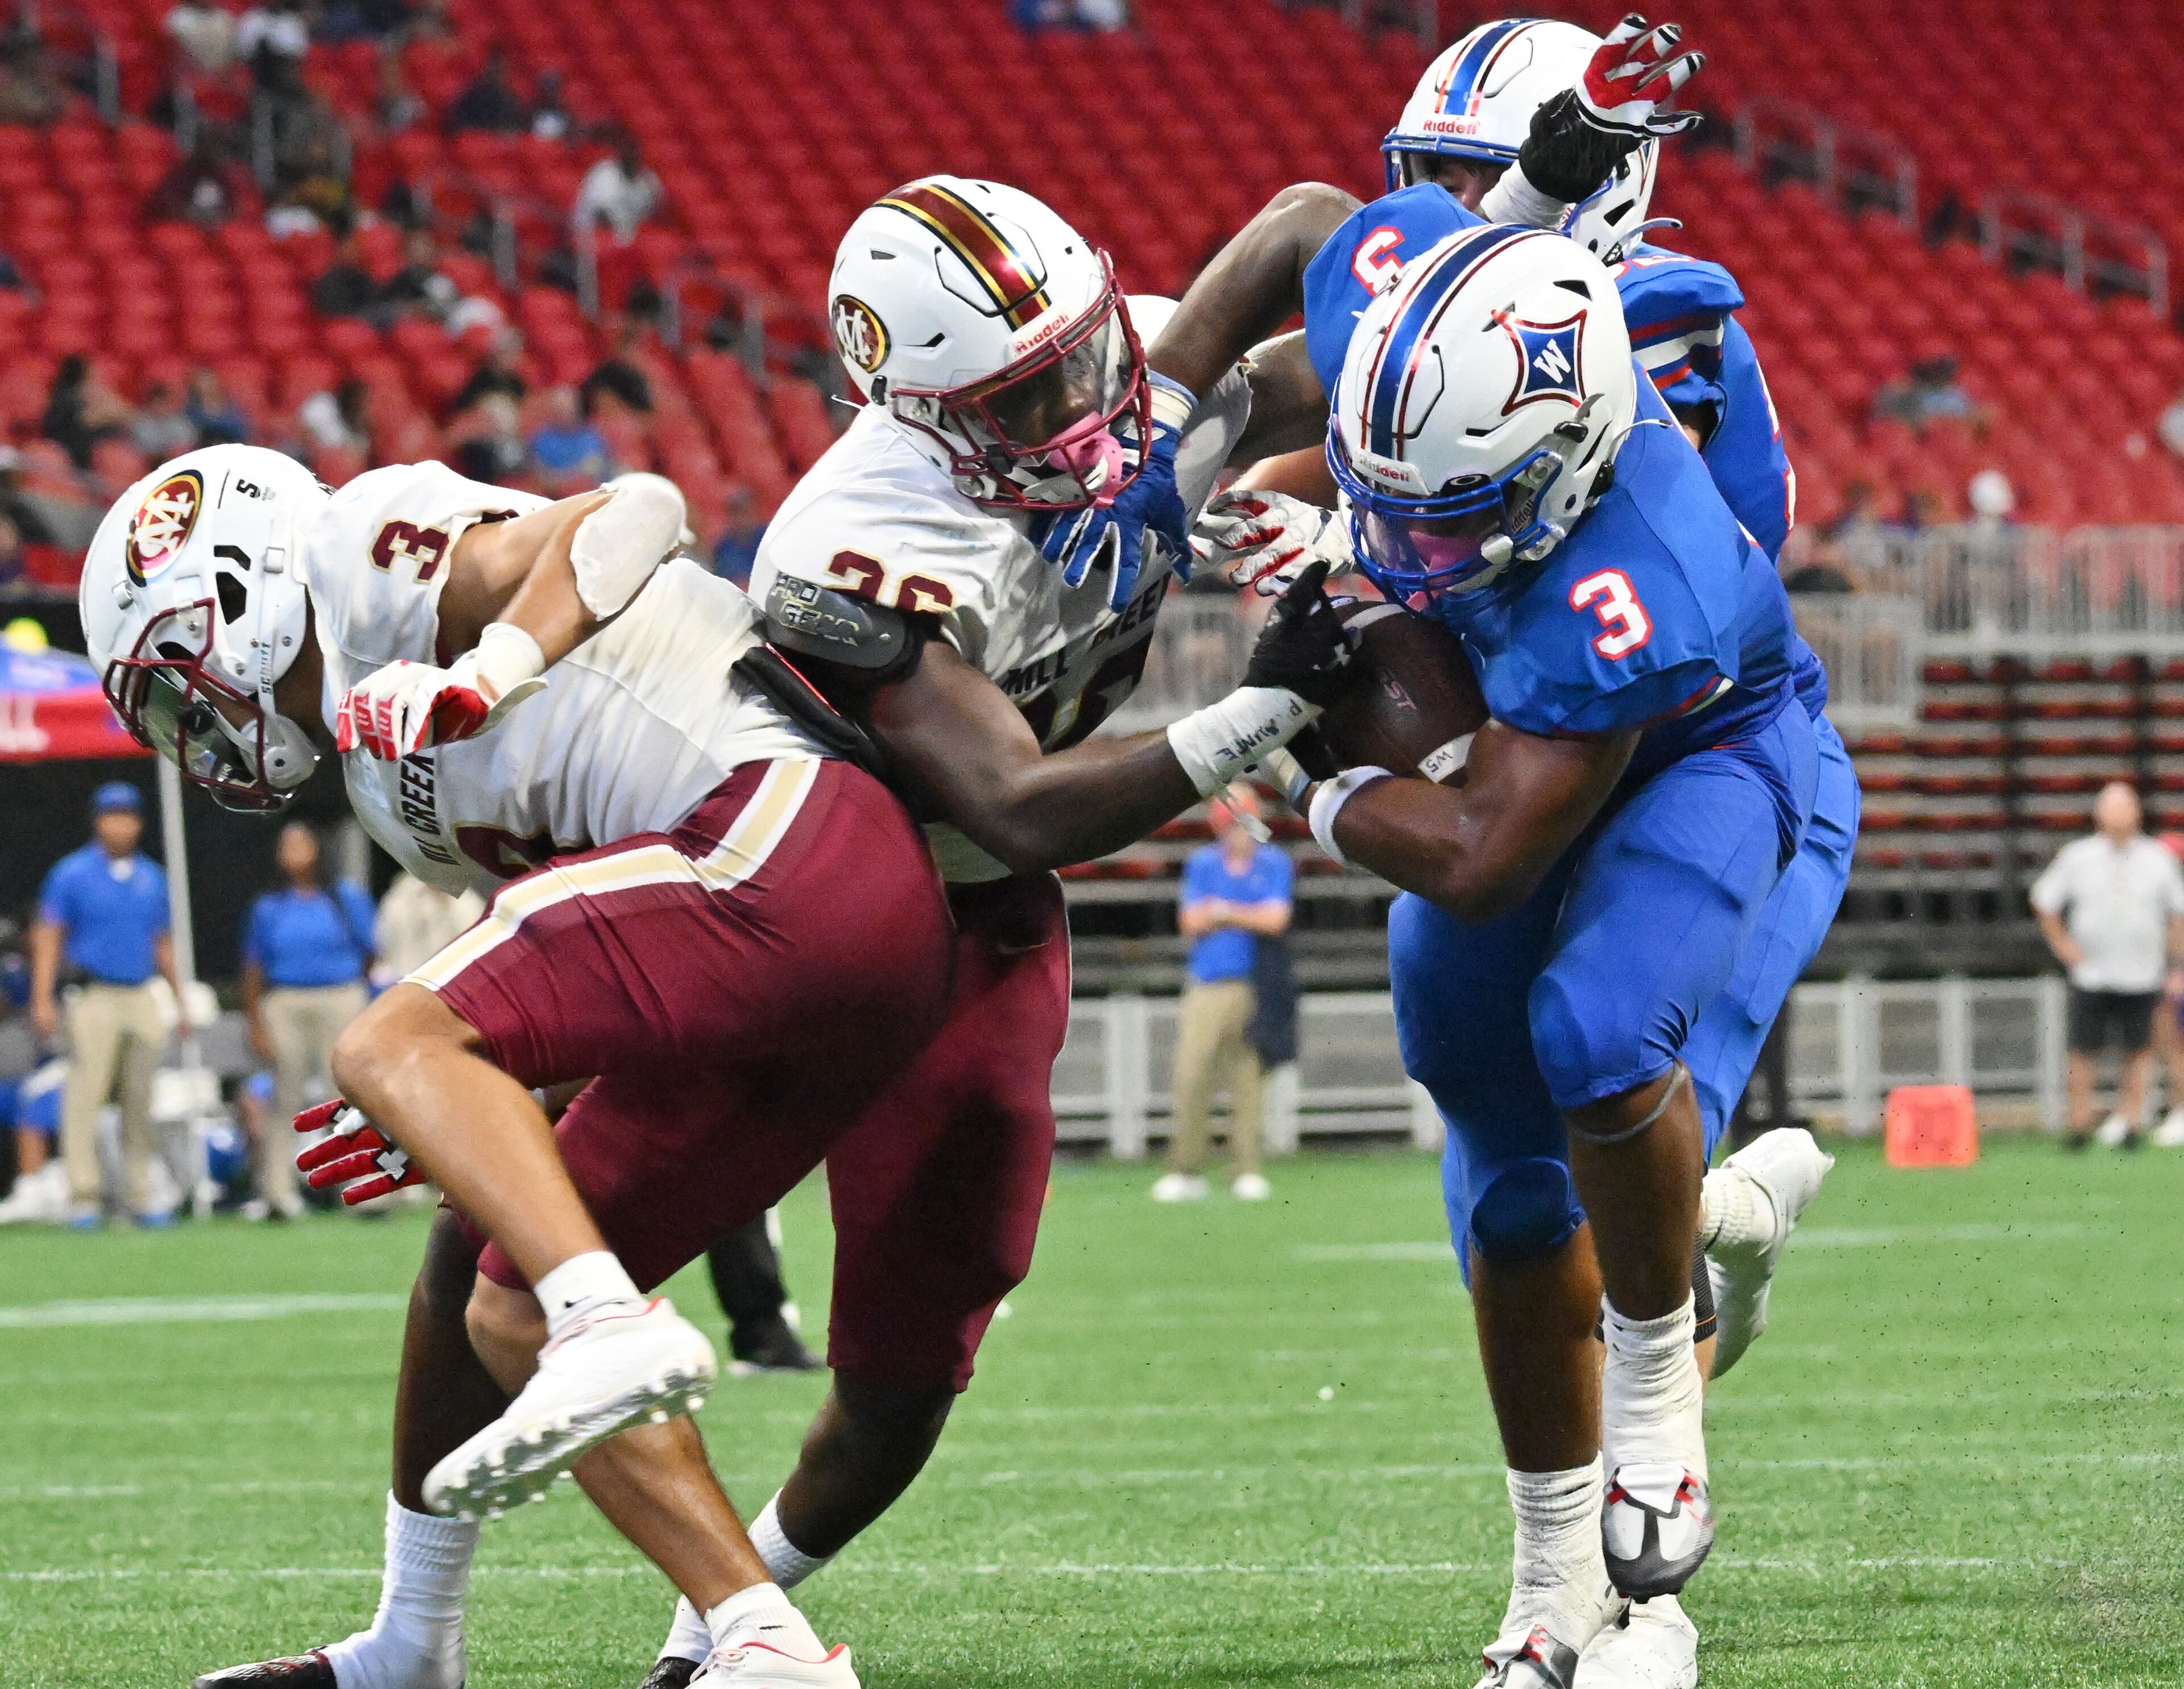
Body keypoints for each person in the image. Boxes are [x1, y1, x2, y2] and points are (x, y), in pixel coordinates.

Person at [1148, 44, 1853, 1680]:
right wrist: (1171, 437)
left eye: (1482, 182)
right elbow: (1315, 260)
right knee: (1510, 1192)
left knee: (1603, 1040)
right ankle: (1553, 1575)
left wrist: (1291, 742)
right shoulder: (1423, 288)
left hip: (1678, 762)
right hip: (1518, 754)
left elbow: (1483, 830)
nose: (1441, 210)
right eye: (1438, 179)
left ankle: (1652, 1521)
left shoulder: (1659, 444)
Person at [628, 174, 1353, 1686]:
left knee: (912, 1361)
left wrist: (1401, 385)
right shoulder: (849, 549)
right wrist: (1265, 708)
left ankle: (728, 1617)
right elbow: (1018, 806)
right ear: (919, 411)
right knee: (551, 1255)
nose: (1085, 401)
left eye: (1088, 353)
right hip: (805, 894)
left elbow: (1310, 236)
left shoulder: (1127, 369)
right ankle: (407, 1633)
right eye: (1032, 397)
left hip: (982, 926)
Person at [86, 444, 956, 1689]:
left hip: (793, 833)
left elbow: (641, 510)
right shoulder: (383, 791)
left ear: (239, 591)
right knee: (486, 1276)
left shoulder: (356, 551)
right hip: (772, 951)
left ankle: (610, 1318)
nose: (194, 728)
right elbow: (592, 942)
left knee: (386, 1039)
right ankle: (735, 1642)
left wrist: (496, 661)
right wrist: (466, 1080)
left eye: (178, 687)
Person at [30, 782, 189, 1228]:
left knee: (141, 1098)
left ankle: (141, 1191)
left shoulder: (151, 876)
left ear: (138, 823)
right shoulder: (72, 873)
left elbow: (162, 942)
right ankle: (83, 1194)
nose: (120, 824)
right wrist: (42, 997)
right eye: (112, 815)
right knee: (86, 1095)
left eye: (128, 816)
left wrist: (180, 996)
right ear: (98, 821)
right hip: (94, 993)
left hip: (141, 992)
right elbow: (49, 935)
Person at [1152, 785, 1290, 1203]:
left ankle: (1245, 1169)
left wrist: (1223, 911)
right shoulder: (1202, 863)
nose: (1238, 831)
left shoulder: (1275, 863)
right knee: (1191, 1073)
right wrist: (1241, 913)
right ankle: (1186, 1168)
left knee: (1248, 1075)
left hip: (1255, 983)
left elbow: (1276, 919)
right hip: (1207, 984)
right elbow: (1191, 921)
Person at [2030, 781, 2184, 1151]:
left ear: (2137, 813)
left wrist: (2176, 962)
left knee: (2139, 1051)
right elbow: (2044, 899)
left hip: (2141, 972)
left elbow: (2177, 912)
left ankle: (2131, 1122)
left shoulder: (2157, 858)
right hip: (2092, 974)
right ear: (2099, 814)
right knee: (2083, 1050)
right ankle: (2079, 1125)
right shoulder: (2078, 856)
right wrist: (2063, 944)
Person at [240, 821, 378, 1219]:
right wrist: (255, 1023)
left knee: (348, 1095)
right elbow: (253, 968)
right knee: (285, 1095)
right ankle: (276, 1192)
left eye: (302, 843)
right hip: (286, 1000)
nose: (294, 852)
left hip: (339, 995)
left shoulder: (344, 898)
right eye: (287, 845)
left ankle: (362, 1187)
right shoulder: (269, 905)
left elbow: (369, 951)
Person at [371, 871, 485, 987]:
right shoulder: (401, 897)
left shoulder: (465, 900)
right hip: (407, 978)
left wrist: (446, 904)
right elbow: (384, 938)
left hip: (451, 981)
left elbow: (476, 939)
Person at [572, 129, 662, 245]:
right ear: (621, 156)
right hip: (593, 233)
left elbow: (657, 211)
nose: (633, 158)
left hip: (629, 235)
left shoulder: (648, 180)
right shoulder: (605, 173)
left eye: (636, 155)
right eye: (629, 154)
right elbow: (601, 215)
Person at [445, 42, 527, 133]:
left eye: (500, 70)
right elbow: (458, 126)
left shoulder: (510, 99)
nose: (497, 74)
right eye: (495, 69)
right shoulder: (470, 96)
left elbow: (515, 129)